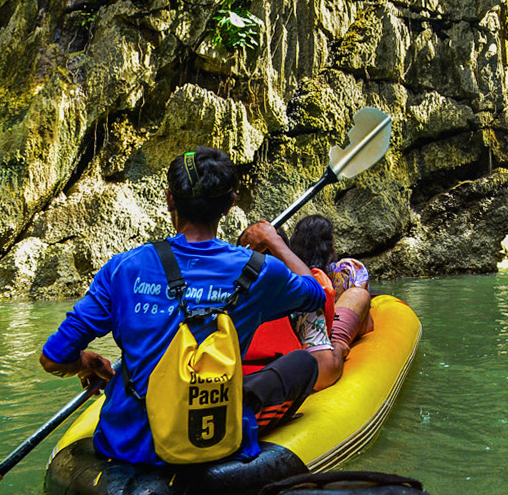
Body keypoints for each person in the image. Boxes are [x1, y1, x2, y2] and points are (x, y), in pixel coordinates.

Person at [39, 147, 326, 466]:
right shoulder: (261, 272)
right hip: (212, 437)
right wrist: (273, 240)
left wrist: (83, 362)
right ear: (231, 204)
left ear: (169, 199)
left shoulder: (124, 268)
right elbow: (317, 291)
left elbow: (53, 358)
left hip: (127, 446)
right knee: (303, 362)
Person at [244, 214, 373, 393]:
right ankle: (338, 337)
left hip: (239, 387)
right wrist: (338, 346)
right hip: (281, 387)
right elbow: (323, 374)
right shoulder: (305, 293)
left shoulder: (215, 292)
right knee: (358, 295)